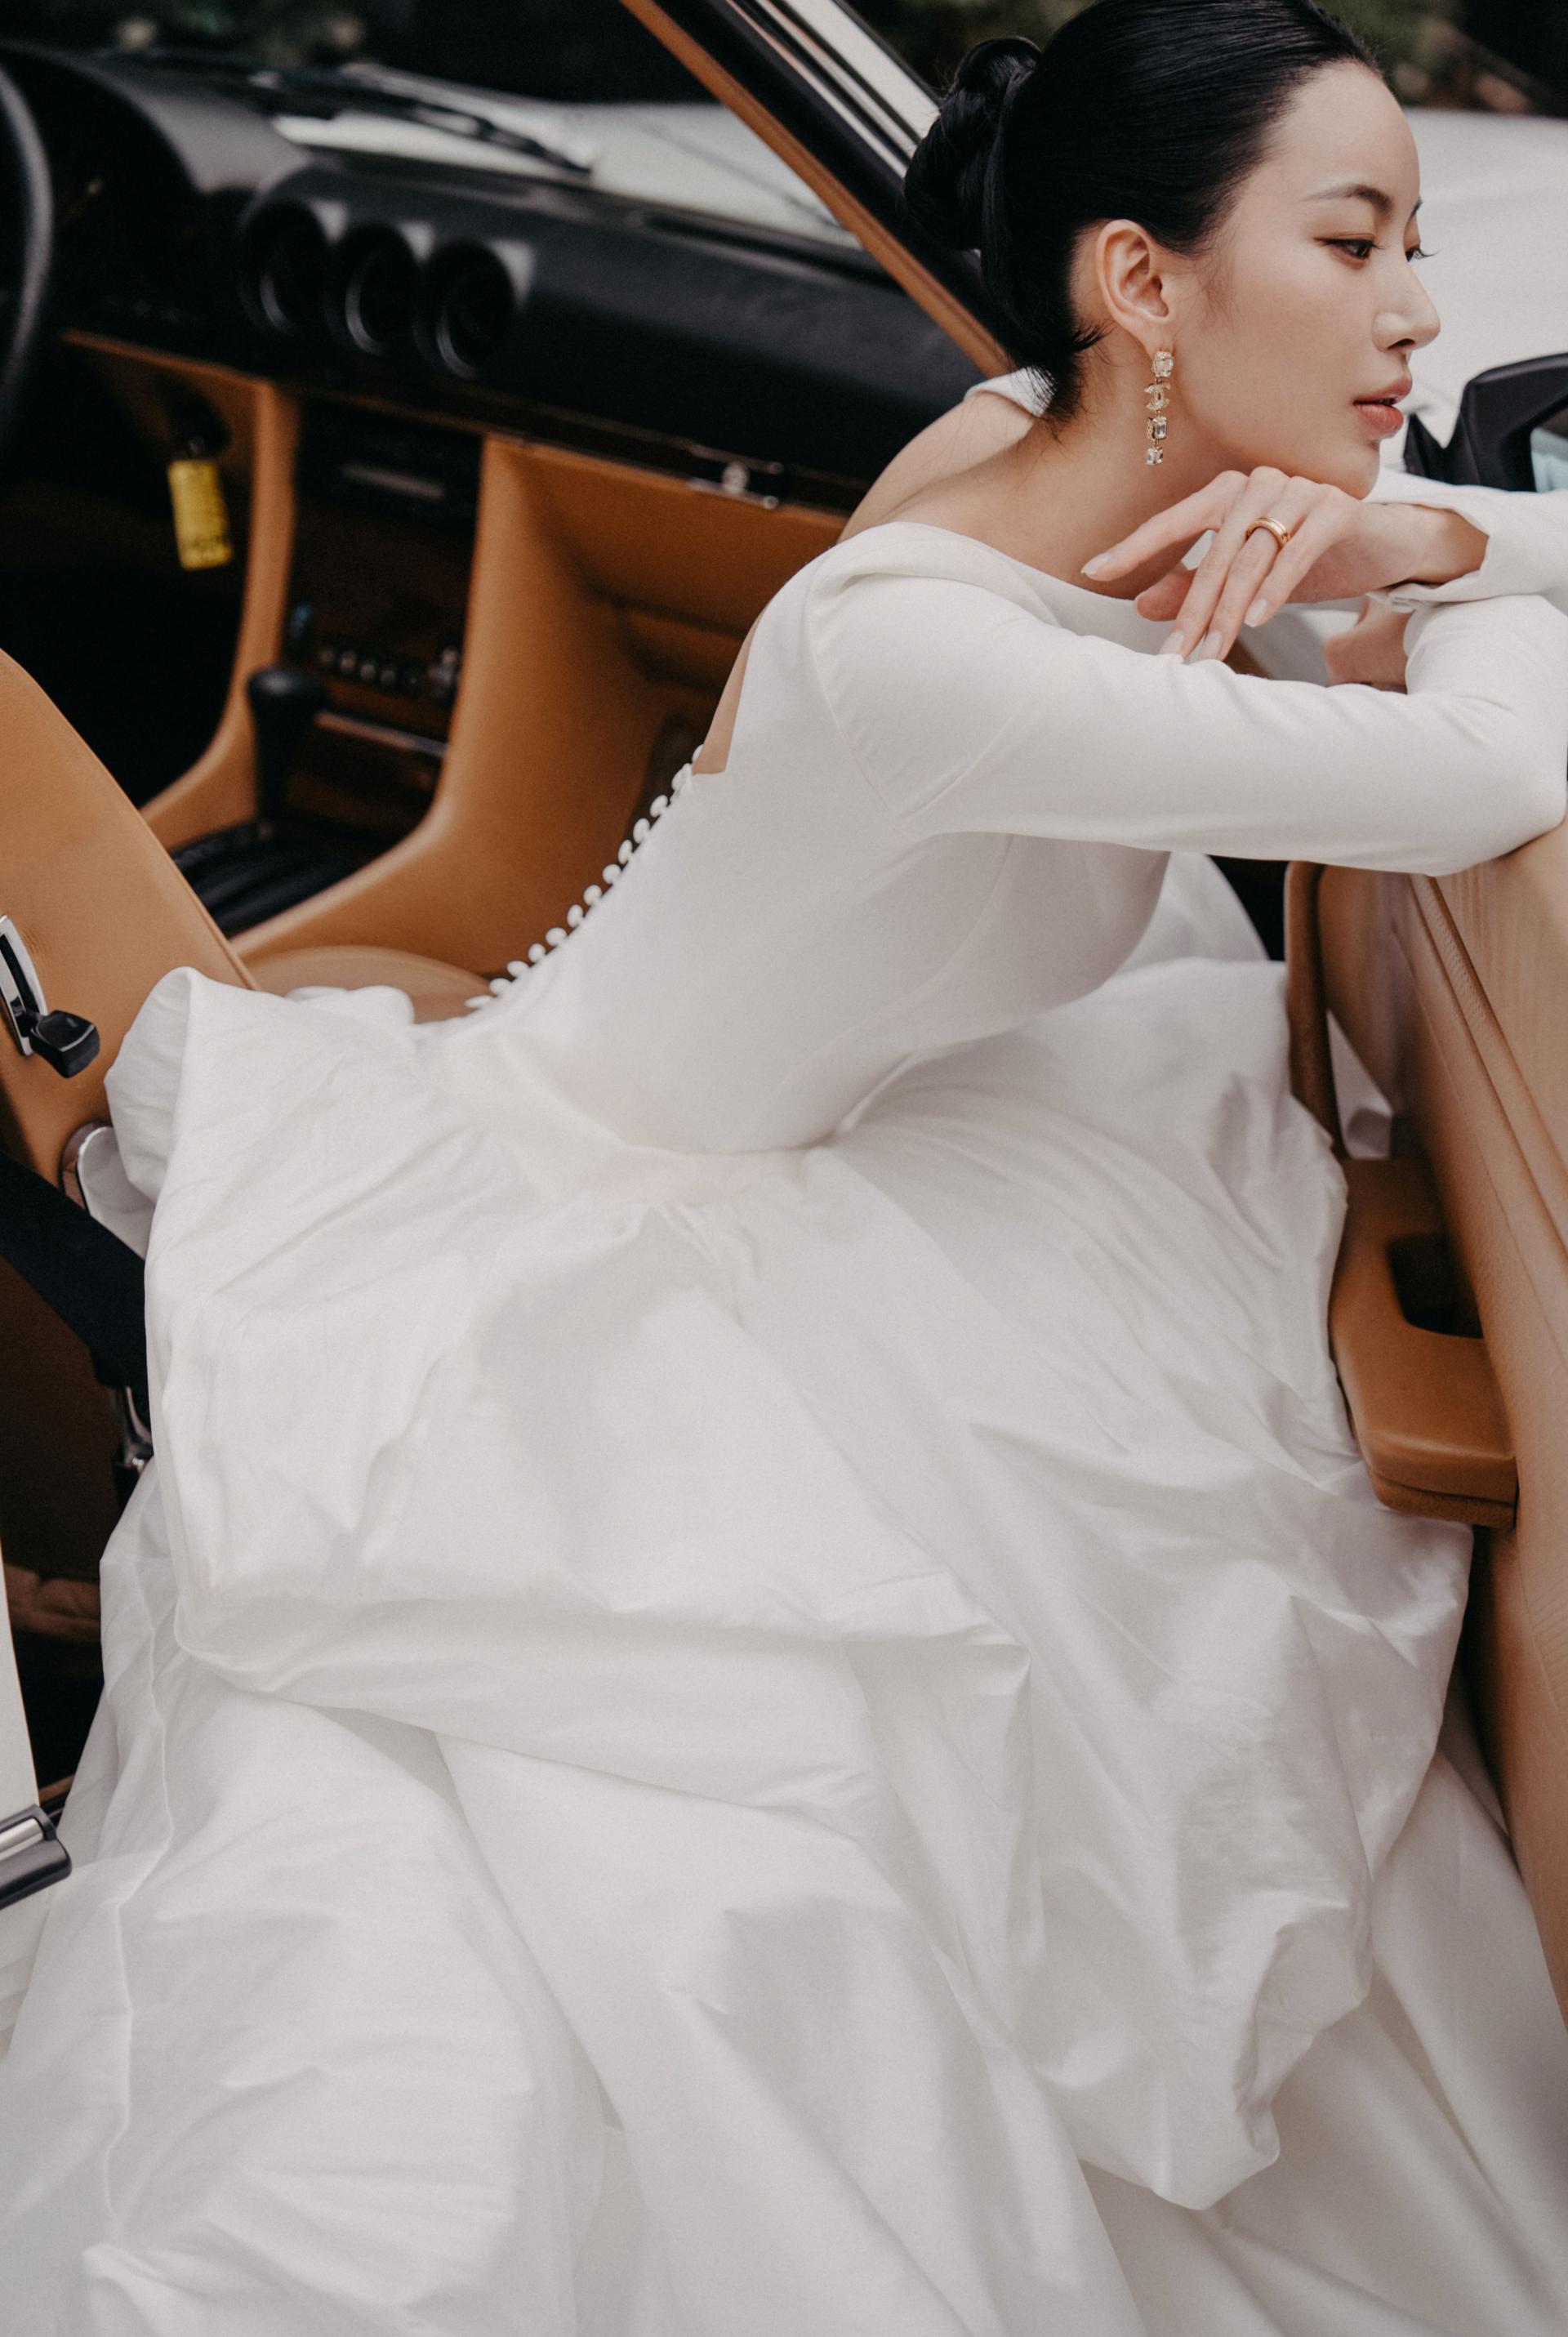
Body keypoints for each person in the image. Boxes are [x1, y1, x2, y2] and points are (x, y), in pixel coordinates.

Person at [4, 2, 1568, 2329]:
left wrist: (1403, 522)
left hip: (862, 1124)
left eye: (1419, 239)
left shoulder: (1041, 442)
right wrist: (1436, 549)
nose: (1423, 309)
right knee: (728, 1906)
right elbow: (1492, 773)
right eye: (1357, 243)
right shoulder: (933, 654)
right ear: (1143, 284)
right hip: (622, 1215)